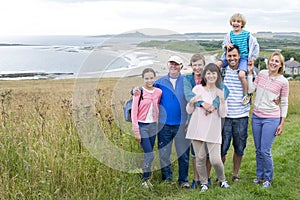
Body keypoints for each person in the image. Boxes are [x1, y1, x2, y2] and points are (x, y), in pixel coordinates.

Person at [133, 55, 191, 188]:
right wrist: (134, 90)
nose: (173, 66)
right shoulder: (160, 82)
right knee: (164, 153)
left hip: (182, 123)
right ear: (168, 65)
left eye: (176, 64)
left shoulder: (187, 81)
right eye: (171, 63)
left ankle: (183, 180)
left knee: (183, 153)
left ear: (181, 66)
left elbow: (191, 99)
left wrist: (190, 119)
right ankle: (167, 179)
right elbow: (146, 89)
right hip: (163, 125)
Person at [184, 54, 229, 188]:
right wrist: (192, 103)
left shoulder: (220, 91)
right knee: (200, 158)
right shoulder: (197, 89)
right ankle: (203, 183)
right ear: (204, 75)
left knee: (215, 159)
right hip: (197, 128)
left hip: (213, 129)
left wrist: (222, 101)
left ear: (218, 76)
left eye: (214, 74)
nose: (211, 76)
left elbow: (222, 113)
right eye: (208, 73)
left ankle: (222, 180)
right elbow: (189, 111)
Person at [247, 52, 289, 188]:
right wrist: (249, 73)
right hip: (256, 116)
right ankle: (260, 177)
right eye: (272, 60)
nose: (273, 63)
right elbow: (251, 89)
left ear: (280, 65)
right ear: (268, 61)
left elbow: (284, 103)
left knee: (265, 150)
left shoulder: (283, 81)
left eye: (277, 61)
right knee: (258, 150)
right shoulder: (262, 74)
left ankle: (268, 179)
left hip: (271, 118)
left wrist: (282, 123)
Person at [221, 45, 251, 182]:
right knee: (222, 148)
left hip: (241, 116)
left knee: (239, 148)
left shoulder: (245, 72)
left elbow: (252, 90)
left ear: (239, 56)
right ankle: (220, 177)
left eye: (234, 56)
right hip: (225, 116)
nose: (232, 58)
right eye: (229, 56)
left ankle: (235, 174)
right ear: (226, 57)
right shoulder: (222, 71)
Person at [216, 13, 259, 105]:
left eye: (238, 21)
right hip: (230, 55)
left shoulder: (247, 35)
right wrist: (226, 46)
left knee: (241, 75)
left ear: (242, 24)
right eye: (234, 21)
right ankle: (216, 87)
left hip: (243, 57)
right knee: (217, 65)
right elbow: (224, 45)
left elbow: (255, 45)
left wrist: (253, 58)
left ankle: (245, 94)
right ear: (231, 23)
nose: (236, 23)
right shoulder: (229, 34)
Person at [131, 68, 162, 188]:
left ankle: (147, 179)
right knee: (150, 155)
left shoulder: (158, 92)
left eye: (151, 78)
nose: (149, 80)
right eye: (146, 78)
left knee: (148, 154)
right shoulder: (139, 92)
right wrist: (136, 131)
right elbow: (134, 112)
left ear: (154, 78)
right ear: (143, 79)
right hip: (142, 126)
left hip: (153, 126)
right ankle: (144, 180)